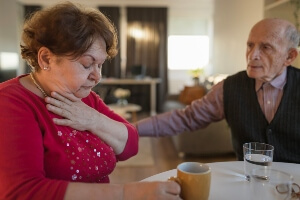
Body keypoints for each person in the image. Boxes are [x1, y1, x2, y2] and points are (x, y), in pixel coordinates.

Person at [0, 2, 181, 200]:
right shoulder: (10, 103)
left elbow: (130, 144)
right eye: (87, 64)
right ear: (45, 59)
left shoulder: (85, 98)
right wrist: (124, 193)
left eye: (100, 65)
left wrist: (93, 119)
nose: (97, 77)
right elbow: (22, 192)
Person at [137, 18, 300, 164]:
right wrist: (132, 129)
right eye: (250, 45)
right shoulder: (229, 87)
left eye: (266, 47)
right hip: (249, 185)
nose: (252, 55)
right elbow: (187, 118)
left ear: (289, 56)